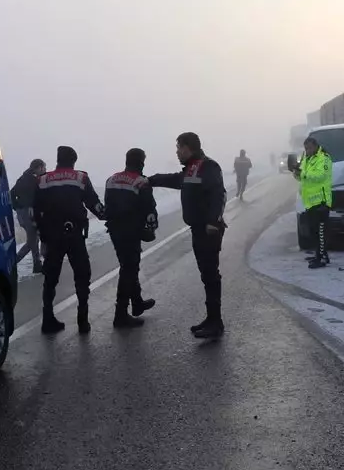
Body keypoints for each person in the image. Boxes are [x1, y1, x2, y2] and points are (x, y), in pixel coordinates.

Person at [149, 132, 227, 339]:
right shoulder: (192, 168)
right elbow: (176, 179)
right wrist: (150, 180)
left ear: (187, 148)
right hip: (198, 229)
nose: (176, 152)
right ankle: (211, 318)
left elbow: (219, 194)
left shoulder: (208, 166)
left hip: (209, 230)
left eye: (178, 148)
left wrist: (213, 221)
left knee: (211, 275)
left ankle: (216, 322)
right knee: (206, 275)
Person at [33, 146, 105, 334]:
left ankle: (47, 320)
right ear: (73, 161)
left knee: (50, 278)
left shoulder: (43, 180)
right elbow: (94, 203)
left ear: (58, 160)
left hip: (52, 236)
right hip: (74, 235)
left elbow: (36, 211)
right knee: (82, 275)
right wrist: (108, 215)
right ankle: (83, 320)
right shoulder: (80, 178)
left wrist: (43, 235)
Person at [104, 148, 159, 329]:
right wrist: (151, 229)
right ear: (141, 162)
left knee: (128, 266)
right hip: (131, 231)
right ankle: (120, 315)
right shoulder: (141, 182)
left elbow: (108, 206)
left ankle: (137, 302)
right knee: (129, 269)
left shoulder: (111, 179)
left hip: (114, 231)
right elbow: (149, 210)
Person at [295, 136, 333, 268]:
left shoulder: (324, 158)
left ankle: (321, 258)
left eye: (309, 148)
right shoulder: (307, 158)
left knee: (321, 231)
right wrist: (296, 173)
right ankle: (320, 254)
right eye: (306, 148)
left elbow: (320, 176)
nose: (307, 150)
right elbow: (303, 177)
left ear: (316, 146)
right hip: (310, 201)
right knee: (314, 231)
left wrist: (303, 174)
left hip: (321, 201)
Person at [11, 158, 46, 274]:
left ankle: (37, 265)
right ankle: (12, 263)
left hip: (22, 214)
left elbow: (12, 193)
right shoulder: (34, 180)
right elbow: (38, 198)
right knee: (32, 240)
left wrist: (17, 207)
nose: (45, 169)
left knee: (33, 239)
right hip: (29, 213)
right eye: (43, 167)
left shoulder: (22, 179)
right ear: (38, 167)